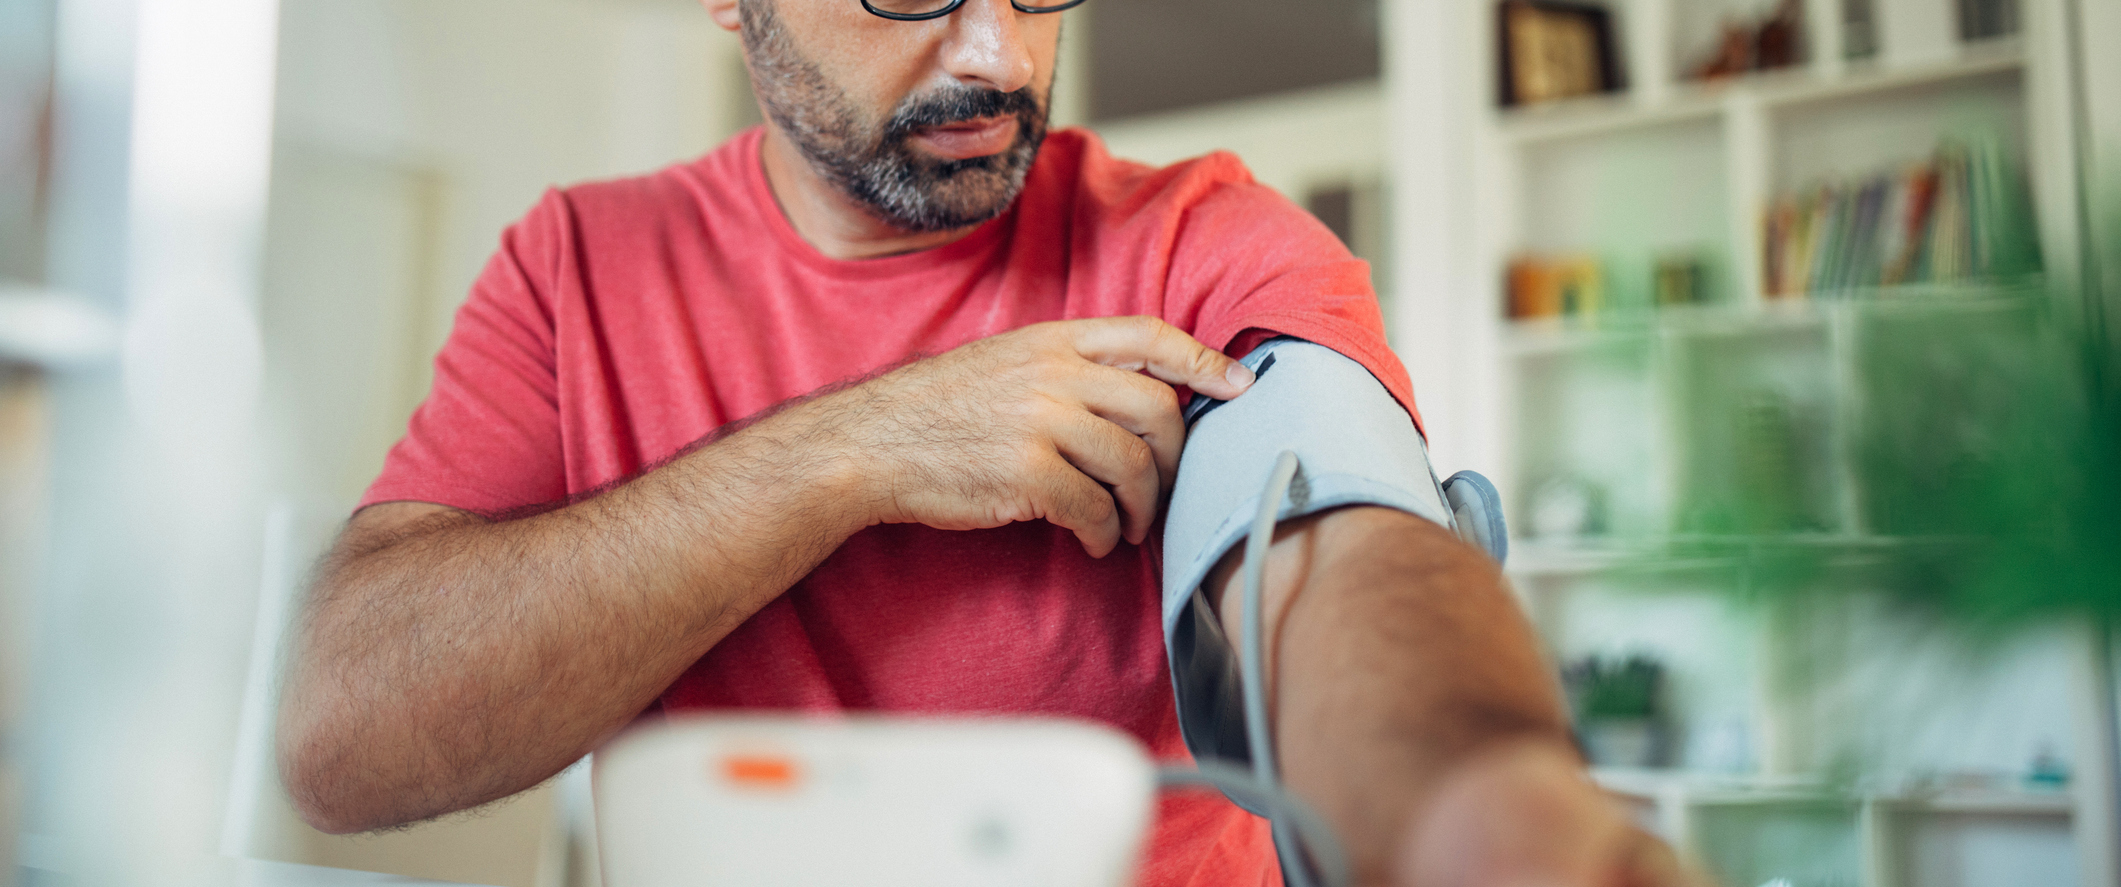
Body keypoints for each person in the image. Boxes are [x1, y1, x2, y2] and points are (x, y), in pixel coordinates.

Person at [276, 0, 1687, 884]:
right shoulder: (579, 264)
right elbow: (342, 739)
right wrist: (859, 450)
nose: (998, 53)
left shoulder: (1205, 239)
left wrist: (1475, 811)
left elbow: (1341, 553)